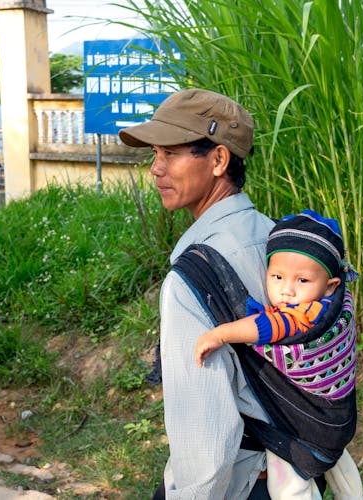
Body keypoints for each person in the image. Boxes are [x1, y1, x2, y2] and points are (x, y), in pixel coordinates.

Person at [118, 88, 275, 499]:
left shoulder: (191, 278)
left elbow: (206, 442)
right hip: (291, 474)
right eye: (154, 154)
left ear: (219, 160)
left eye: (170, 153)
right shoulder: (279, 239)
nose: (156, 169)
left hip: (237, 485)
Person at [194, 209, 362, 499]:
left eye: (302, 281)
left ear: (330, 286)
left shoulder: (311, 313)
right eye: (277, 276)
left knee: (291, 482)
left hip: (308, 421)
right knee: (339, 467)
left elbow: (267, 326)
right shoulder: (336, 303)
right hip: (331, 421)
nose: (286, 290)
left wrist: (220, 333)